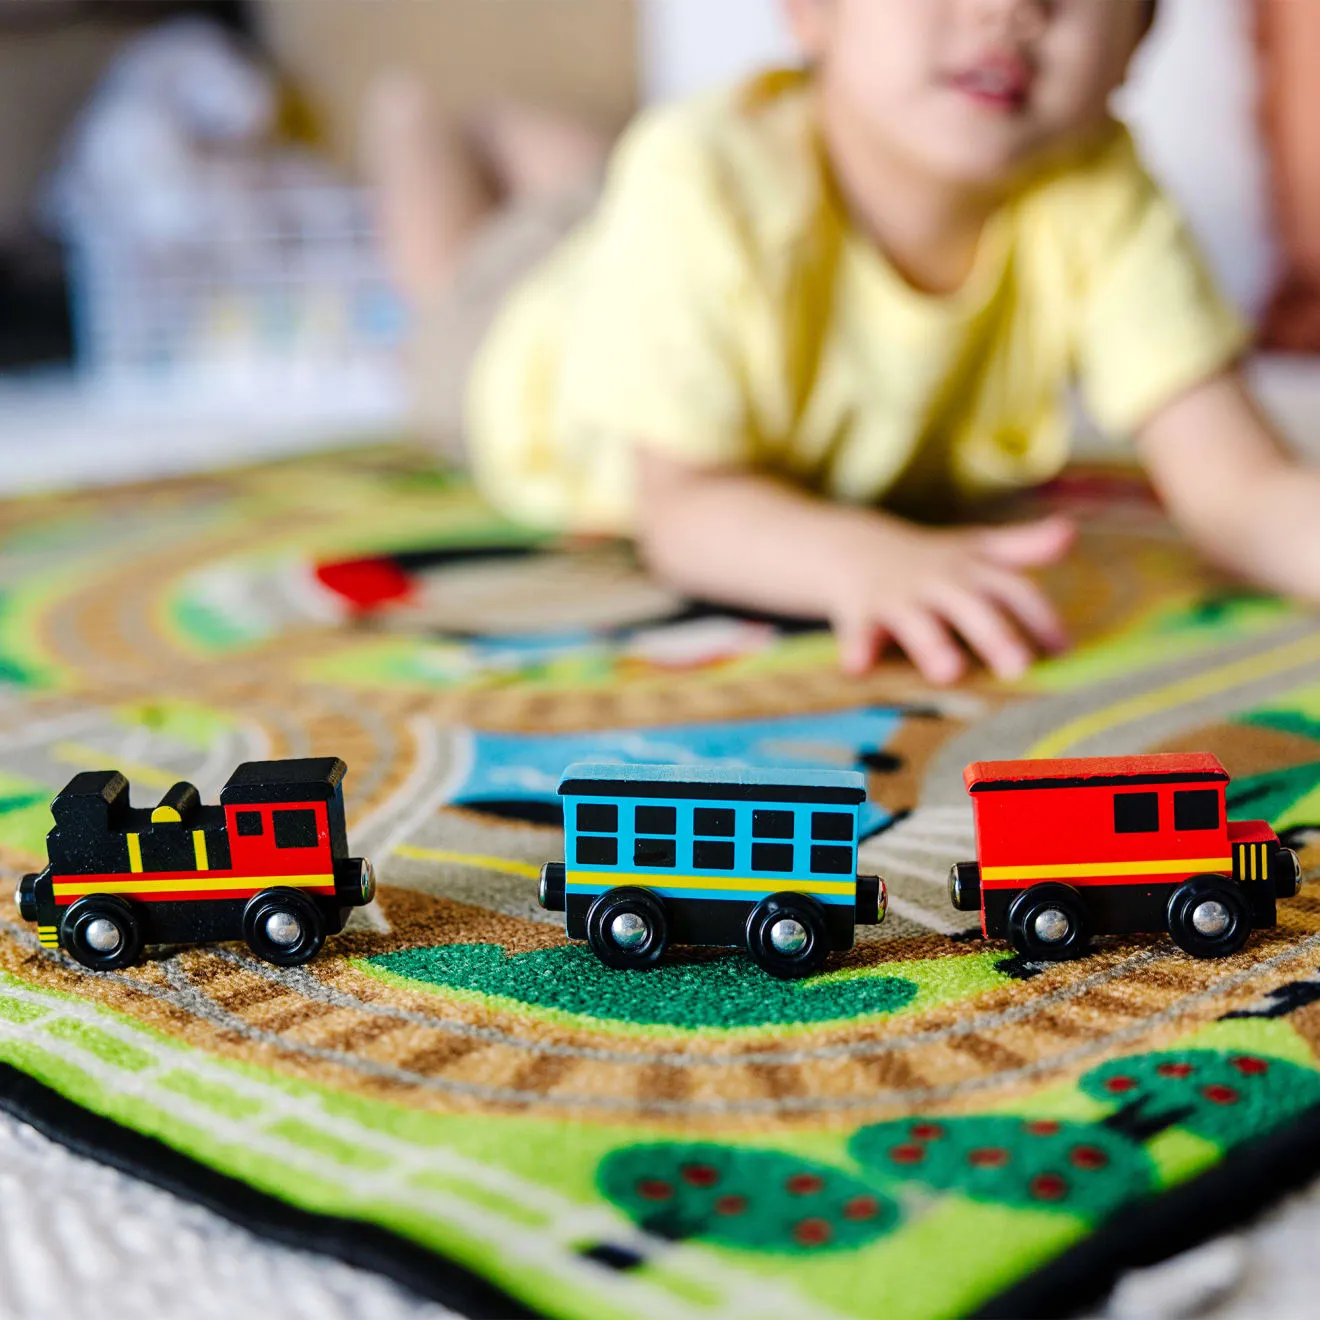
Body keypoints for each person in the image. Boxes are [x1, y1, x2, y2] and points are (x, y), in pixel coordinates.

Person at [370, 0, 1320, 686]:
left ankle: (550, 156)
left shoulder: (1100, 189)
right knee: (456, 268)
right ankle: (417, 123)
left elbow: (1237, 486)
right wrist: (866, 561)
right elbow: (684, 509)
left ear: (1141, 36)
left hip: (651, 247)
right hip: (530, 355)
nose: (1012, 12)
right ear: (809, 10)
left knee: (589, 190)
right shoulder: (705, 176)